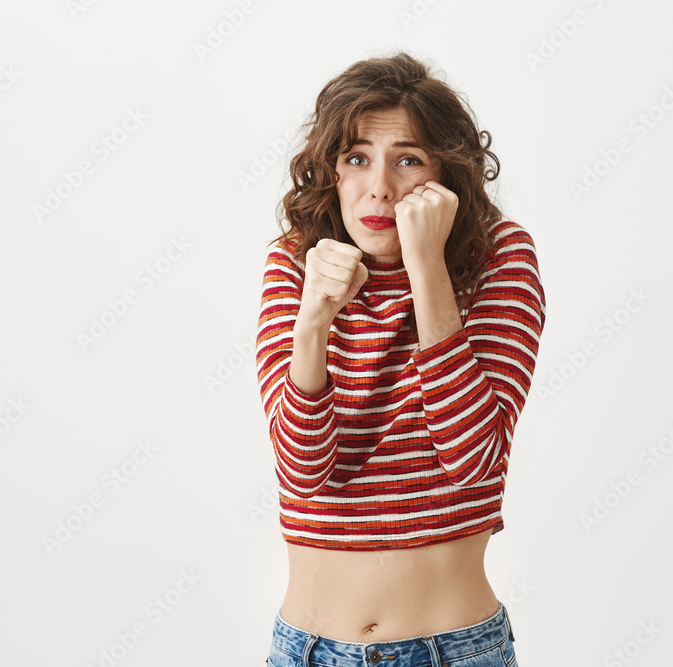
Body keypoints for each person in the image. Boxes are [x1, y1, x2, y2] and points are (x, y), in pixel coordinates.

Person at [256, 51, 546, 667]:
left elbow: (473, 460)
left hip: (451, 649)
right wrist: (313, 322)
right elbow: (304, 473)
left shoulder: (498, 258)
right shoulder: (297, 262)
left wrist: (426, 265)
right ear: (331, 171)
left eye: (407, 159)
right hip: (306, 650)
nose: (380, 186)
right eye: (356, 158)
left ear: (447, 171)